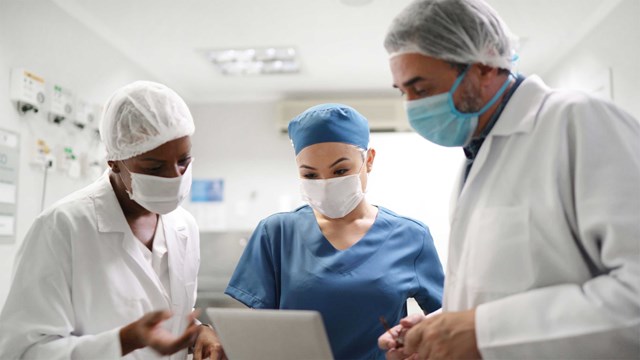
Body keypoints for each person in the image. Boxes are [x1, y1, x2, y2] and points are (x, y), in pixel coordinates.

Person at [377, 0, 640, 359]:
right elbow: (500, 291)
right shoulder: (477, 155)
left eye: (420, 89)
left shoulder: (577, 121)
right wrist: (440, 328)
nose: (411, 107)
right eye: (402, 91)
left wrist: (482, 331)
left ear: (484, 67)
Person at [0, 81, 223, 359]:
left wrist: (199, 332)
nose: (175, 177)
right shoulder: (63, 227)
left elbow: (174, 317)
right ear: (114, 162)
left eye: (184, 160)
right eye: (154, 167)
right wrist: (122, 341)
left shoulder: (183, 225)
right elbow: (23, 351)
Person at [224, 103, 444, 359]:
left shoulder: (411, 237)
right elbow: (259, 332)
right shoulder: (276, 233)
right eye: (310, 175)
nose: (326, 185)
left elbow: (447, 321)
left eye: (340, 171)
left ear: (368, 160)